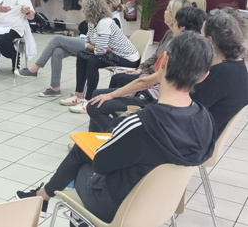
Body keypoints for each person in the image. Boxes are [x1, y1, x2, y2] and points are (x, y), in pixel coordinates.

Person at [16, 32, 216, 223]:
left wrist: (118, 128)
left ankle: (47, 199)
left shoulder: (139, 123)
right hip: (159, 205)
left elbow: (102, 165)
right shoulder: (205, 120)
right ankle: (43, 196)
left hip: (117, 206)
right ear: (203, 76)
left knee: (81, 153)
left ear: (162, 61)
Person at [90, 7, 248, 137]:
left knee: (116, 121)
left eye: (201, 34)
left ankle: (100, 147)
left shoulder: (219, 73)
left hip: (185, 138)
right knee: (116, 118)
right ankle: (100, 147)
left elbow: (182, 111)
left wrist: (142, 113)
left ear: (209, 41)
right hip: (191, 131)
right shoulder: (237, 67)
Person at [87, 6, 206, 132]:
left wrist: (113, 94)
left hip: (152, 99)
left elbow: (147, 82)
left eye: (175, 22)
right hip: (155, 95)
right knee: (98, 95)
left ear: (182, 26)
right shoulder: (200, 49)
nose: (173, 24)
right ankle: (95, 141)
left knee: (95, 105)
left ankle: (115, 138)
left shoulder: (179, 50)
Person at [15, 0, 123, 98]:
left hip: (94, 47)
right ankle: (55, 88)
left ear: (109, 5)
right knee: (57, 51)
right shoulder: (104, 17)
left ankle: (34, 68)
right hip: (88, 41)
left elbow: (103, 42)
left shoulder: (113, 20)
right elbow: (84, 26)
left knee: (57, 39)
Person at [60, 0, 139, 113]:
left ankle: (89, 101)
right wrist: (97, 47)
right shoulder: (92, 23)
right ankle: (78, 95)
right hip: (113, 53)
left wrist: (97, 47)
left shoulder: (105, 22)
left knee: (93, 61)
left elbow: (99, 51)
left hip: (128, 58)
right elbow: (86, 43)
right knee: (81, 55)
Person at [108, 0, 191, 89]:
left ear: (173, 15)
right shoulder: (169, 33)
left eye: (167, 9)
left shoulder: (181, 41)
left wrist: (143, 72)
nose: (164, 12)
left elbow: (162, 69)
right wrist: (140, 69)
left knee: (119, 79)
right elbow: (155, 56)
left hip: (156, 80)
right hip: (149, 73)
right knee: (117, 78)